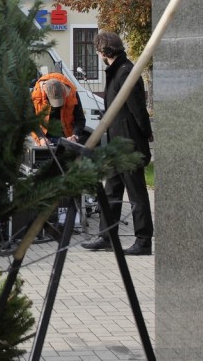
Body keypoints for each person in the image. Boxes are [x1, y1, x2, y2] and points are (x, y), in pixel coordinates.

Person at [81, 31, 155, 256]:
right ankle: (106, 236)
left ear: (103, 51)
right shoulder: (117, 71)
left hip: (128, 144)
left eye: (97, 51)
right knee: (111, 191)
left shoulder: (125, 72)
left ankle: (143, 241)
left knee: (136, 194)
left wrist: (147, 134)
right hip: (117, 144)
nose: (97, 54)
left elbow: (137, 108)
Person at [31, 72, 86, 145]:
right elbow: (31, 121)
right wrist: (41, 137)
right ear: (45, 92)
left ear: (64, 91)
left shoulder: (72, 94)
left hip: (66, 137)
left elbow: (80, 119)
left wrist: (75, 136)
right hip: (44, 138)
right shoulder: (35, 94)